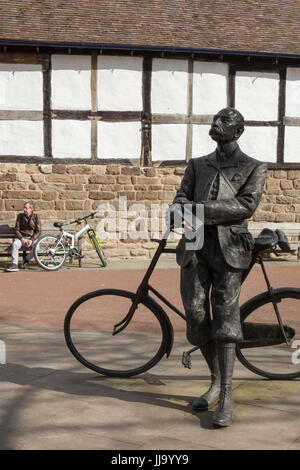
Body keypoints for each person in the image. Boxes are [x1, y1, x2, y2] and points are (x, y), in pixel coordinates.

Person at [170, 107, 267, 427]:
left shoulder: (253, 167)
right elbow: (179, 200)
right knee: (196, 319)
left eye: (223, 121)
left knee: (226, 317)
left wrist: (196, 209)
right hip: (195, 247)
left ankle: (225, 392)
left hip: (229, 248)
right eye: (215, 119)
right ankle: (214, 381)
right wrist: (182, 207)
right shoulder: (197, 165)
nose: (215, 124)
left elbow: (245, 206)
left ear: (237, 131)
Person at [5, 202, 41, 272]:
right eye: (24, 208)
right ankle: (14, 265)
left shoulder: (36, 217)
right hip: (22, 238)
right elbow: (17, 230)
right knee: (15, 244)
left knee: (37, 247)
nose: (24, 209)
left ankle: (27, 259)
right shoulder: (20, 216)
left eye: (26, 208)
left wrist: (32, 240)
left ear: (31, 209)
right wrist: (21, 238)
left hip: (32, 238)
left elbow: (38, 231)